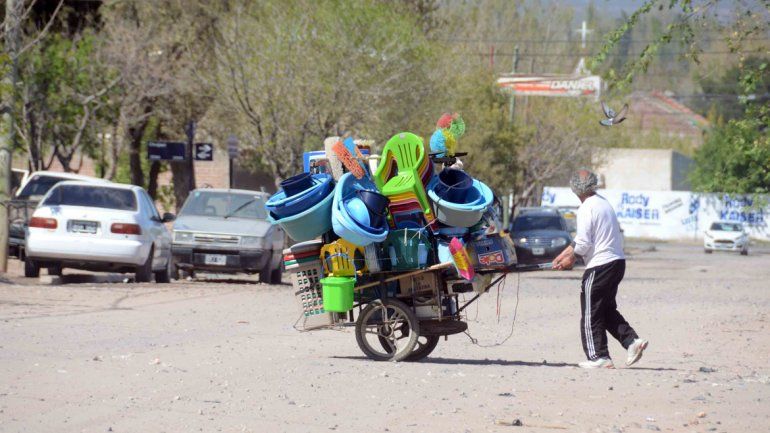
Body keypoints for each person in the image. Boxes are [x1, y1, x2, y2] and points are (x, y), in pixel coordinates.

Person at [552, 169, 648, 369]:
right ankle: (632, 341)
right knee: (605, 309)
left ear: (574, 189)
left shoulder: (587, 208)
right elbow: (580, 240)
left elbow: (583, 244)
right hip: (616, 263)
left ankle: (598, 357)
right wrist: (563, 255)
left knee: (590, 313)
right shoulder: (602, 203)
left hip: (600, 266)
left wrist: (571, 259)